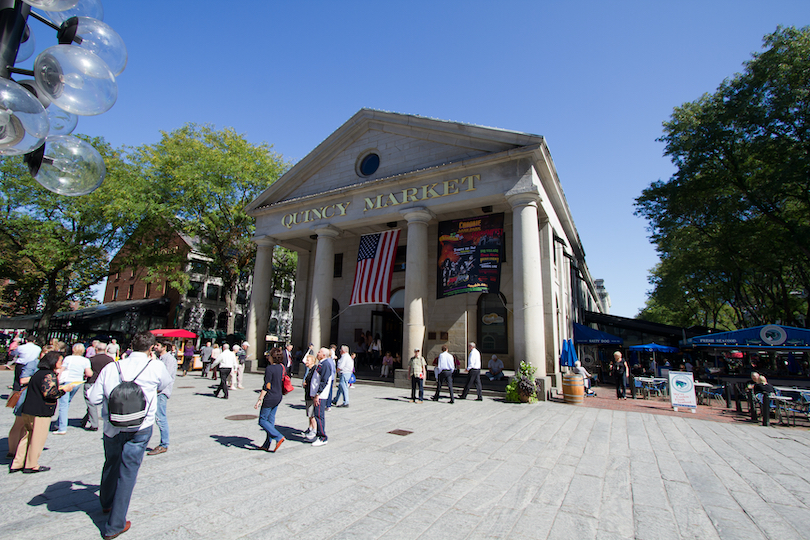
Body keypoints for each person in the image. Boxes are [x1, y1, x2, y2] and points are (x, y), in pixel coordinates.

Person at [87, 331, 172, 539]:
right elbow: (164, 385)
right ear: (151, 348)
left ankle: (106, 502)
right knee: (128, 471)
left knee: (111, 463)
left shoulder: (112, 367)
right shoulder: (155, 366)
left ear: (130, 347)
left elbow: (93, 398)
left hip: (112, 426)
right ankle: (115, 525)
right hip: (140, 426)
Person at [11, 351, 75, 473]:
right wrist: (64, 390)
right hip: (40, 411)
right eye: (60, 361)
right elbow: (50, 394)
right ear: (53, 361)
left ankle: (18, 463)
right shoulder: (49, 375)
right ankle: (31, 464)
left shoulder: (38, 373)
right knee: (37, 438)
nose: (61, 363)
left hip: (28, 410)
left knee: (27, 436)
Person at [56, 342, 93, 434]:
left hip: (67, 381)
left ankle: (62, 427)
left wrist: (57, 380)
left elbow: (61, 370)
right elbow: (89, 373)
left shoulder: (68, 358)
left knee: (63, 404)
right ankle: (59, 422)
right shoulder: (85, 360)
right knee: (67, 401)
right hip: (77, 382)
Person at [147, 339, 176, 456]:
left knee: (160, 418)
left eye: (157, 345)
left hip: (161, 392)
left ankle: (164, 444)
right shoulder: (159, 358)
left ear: (164, 347)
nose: (155, 347)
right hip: (155, 391)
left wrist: (158, 389)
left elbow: (166, 377)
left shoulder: (169, 359)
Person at [254, 351, 285, 452]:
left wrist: (259, 399)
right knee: (270, 421)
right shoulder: (281, 367)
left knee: (262, 420)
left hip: (270, 397)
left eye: (269, 355)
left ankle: (278, 437)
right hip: (278, 396)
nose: (268, 357)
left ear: (272, 357)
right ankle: (267, 444)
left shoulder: (269, 368)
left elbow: (267, 385)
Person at [82, 342, 114, 432]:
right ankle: (84, 420)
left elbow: (87, 372)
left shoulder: (91, 359)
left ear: (96, 349)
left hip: (92, 381)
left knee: (90, 403)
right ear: (106, 350)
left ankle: (94, 424)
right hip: (105, 383)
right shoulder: (110, 360)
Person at [310, 347, 333, 447]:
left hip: (321, 396)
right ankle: (319, 435)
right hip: (318, 394)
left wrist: (318, 394)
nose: (317, 353)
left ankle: (322, 437)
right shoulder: (321, 363)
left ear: (323, 355)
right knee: (317, 415)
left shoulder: (326, 364)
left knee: (319, 416)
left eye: (319, 352)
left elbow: (324, 380)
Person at [301, 354, 318, 440]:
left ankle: (314, 430)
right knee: (309, 413)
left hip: (311, 395)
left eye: (308, 360)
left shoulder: (314, 370)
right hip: (308, 394)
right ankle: (310, 428)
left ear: (312, 362)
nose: (306, 362)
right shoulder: (310, 370)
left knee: (311, 414)